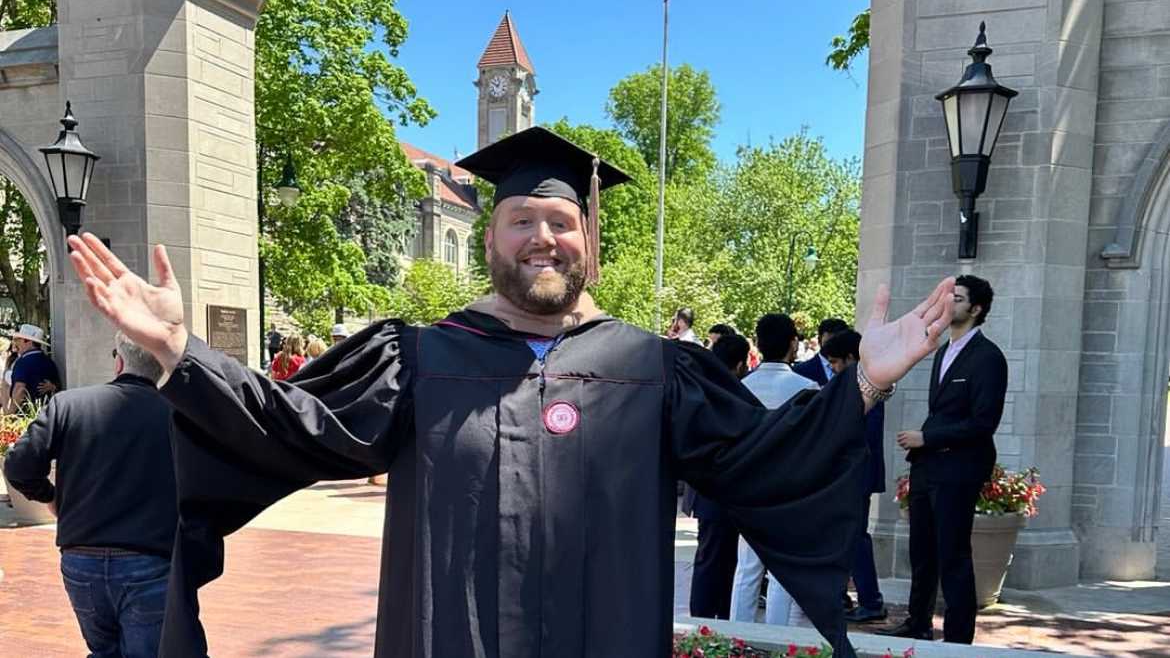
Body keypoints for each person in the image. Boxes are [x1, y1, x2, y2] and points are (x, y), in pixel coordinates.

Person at [67, 125, 955, 658]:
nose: (543, 238)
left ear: (588, 238)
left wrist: (866, 380)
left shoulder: (652, 369)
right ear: (491, 235)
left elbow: (767, 459)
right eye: (521, 219)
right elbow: (292, 422)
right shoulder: (417, 358)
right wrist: (179, 348)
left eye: (561, 221)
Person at [3, 332, 176, 657]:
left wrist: (51, 497)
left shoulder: (69, 405)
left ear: (119, 361)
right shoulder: (177, 416)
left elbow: (18, 466)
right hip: (150, 559)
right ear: (161, 368)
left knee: (103, 650)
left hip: (82, 557)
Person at [877, 275, 1007, 644]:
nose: (949, 304)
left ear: (976, 309)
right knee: (922, 552)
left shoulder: (989, 358)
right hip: (928, 467)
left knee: (953, 555)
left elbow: (984, 423)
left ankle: (958, 639)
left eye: (958, 298)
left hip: (959, 470)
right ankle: (918, 622)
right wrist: (922, 446)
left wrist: (927, 436)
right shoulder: (941, 350)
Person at [729, 313, 821, 627]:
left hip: (748, 485)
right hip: (789, 487)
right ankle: (777, 639)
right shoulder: (807, 387)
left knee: (747, 568)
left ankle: (736, 635)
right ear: (792, 343)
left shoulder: (743, 385)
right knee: (781, 570)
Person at [821, 330, 888, 623]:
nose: (833, 368)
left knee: (856, 537)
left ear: (851, 358)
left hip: (856, 474)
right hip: (848, 474)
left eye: (836, 362)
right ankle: (844, 596)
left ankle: (870, 600)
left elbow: (862, 434)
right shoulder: (856, 381)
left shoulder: (869, 384)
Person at [686, 333, 749, 620]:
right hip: (722, 491)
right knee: (718, 560)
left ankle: (714, 617)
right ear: (739, 364)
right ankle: (707, 618)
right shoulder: (729, 394)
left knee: (715, 559)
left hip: (710, 492)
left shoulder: (700, 389)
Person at [6, 323, 61, 413]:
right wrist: (53, 387)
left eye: (18, 339)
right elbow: (58, 387)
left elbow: (20, 390)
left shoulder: (23, 362)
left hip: (25, 416)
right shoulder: (49, 362)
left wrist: (9, 414)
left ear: (28, 341)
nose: (16, 343)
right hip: (47, 415)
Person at [793, 317, 850, 385]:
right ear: (819, 340)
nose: (834, 347)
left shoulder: (855, 371)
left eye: (839, 343)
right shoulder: (799, 371)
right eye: (829, 342)